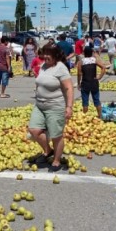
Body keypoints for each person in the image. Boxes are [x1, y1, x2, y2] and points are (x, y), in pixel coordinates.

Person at [28, 43, 74, 172]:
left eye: (49, 54)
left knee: (56, 135)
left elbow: (69, 88)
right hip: (39, 105)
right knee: (34, 130)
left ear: (56, 55)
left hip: (55, 106)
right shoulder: (43, 66)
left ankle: (56, 160)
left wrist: (69, 107)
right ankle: (48, 150)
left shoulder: (61, 68)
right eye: (45, 53)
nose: (46, 56)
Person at [77, 46, 106, 118]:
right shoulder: (94, 60)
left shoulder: (81, 62)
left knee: (85, 102)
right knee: (96, 100)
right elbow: (103, 67)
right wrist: (100, 77)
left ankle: (84, 118)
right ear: (91, 53)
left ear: (84, 53)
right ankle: (100, 116)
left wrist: (78, 83)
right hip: (94, 83)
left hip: (85, 83)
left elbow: (79, 73)